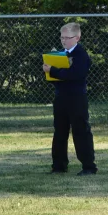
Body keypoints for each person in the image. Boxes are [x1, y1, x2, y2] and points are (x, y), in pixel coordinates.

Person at [43, 22, 98, 176]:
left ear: (77, 38)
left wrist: (53, 70)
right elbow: (55, 78)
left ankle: (89, 166)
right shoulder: (60, 54)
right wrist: (48, 71)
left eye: (67, 38)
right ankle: (59, 165)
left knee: (81, 131)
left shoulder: (81, 54)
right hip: (61, 97)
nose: (64, 41)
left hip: (77, 98)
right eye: (62, 37)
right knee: (60, 131)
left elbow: (75, 75)